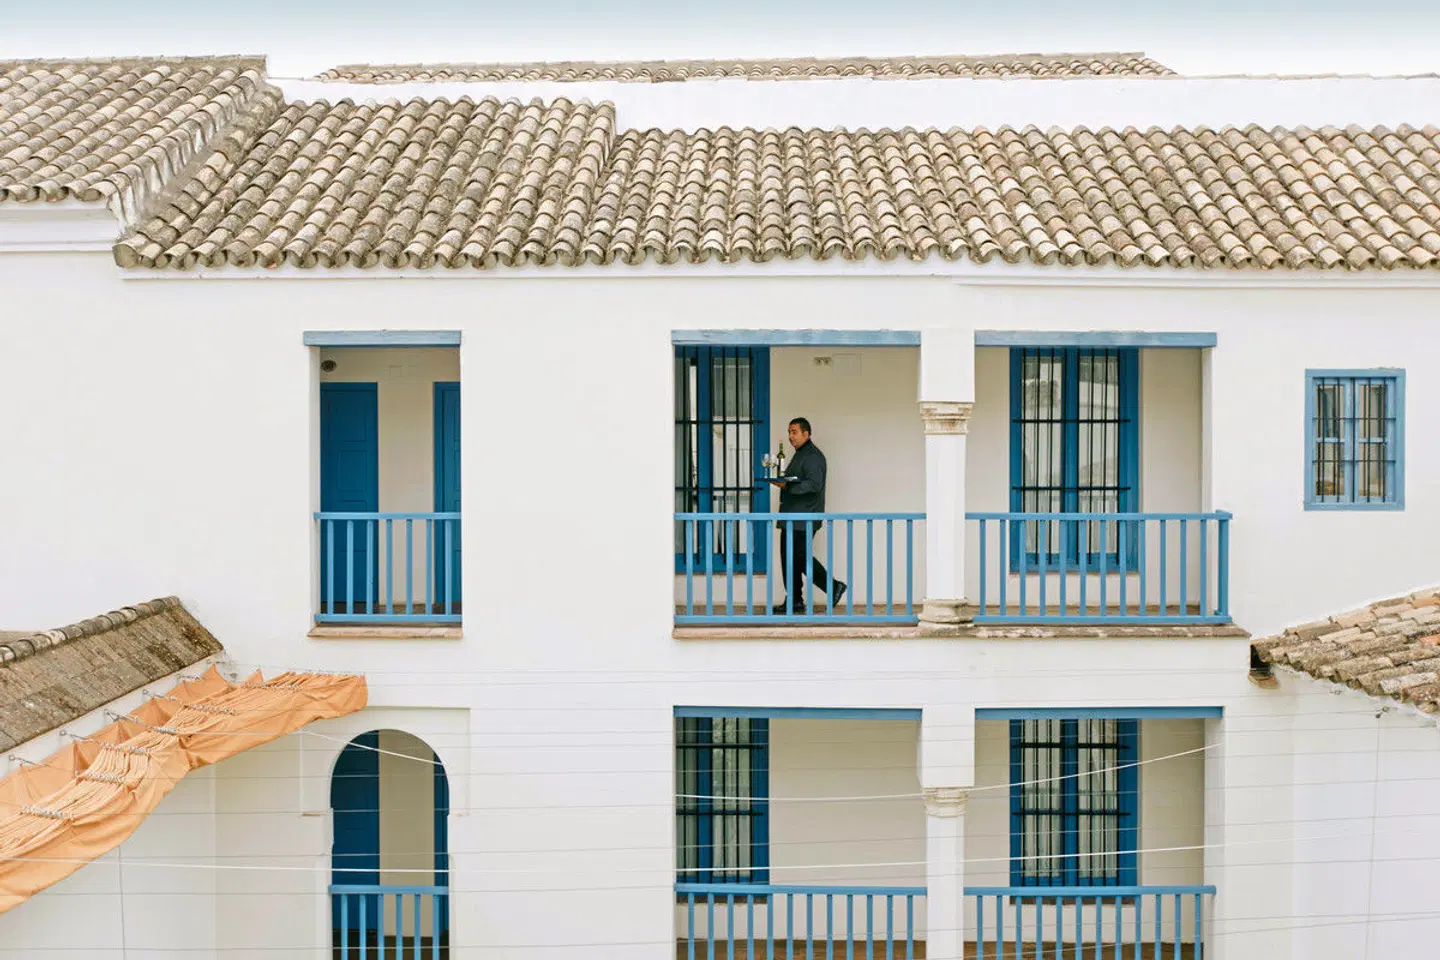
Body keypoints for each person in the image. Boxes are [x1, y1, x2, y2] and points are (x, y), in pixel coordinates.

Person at [769, 417, 847, 614]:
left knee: (800, 558)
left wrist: (787, 486)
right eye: (789, 432)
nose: (790, 436)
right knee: (789, 559)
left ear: (806, 433)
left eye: (794, 432)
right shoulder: (800, 454)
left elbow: (814, 485)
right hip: (791, 518)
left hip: (804, 518)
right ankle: (794, 600)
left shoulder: (812, 456)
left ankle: (834, 587)